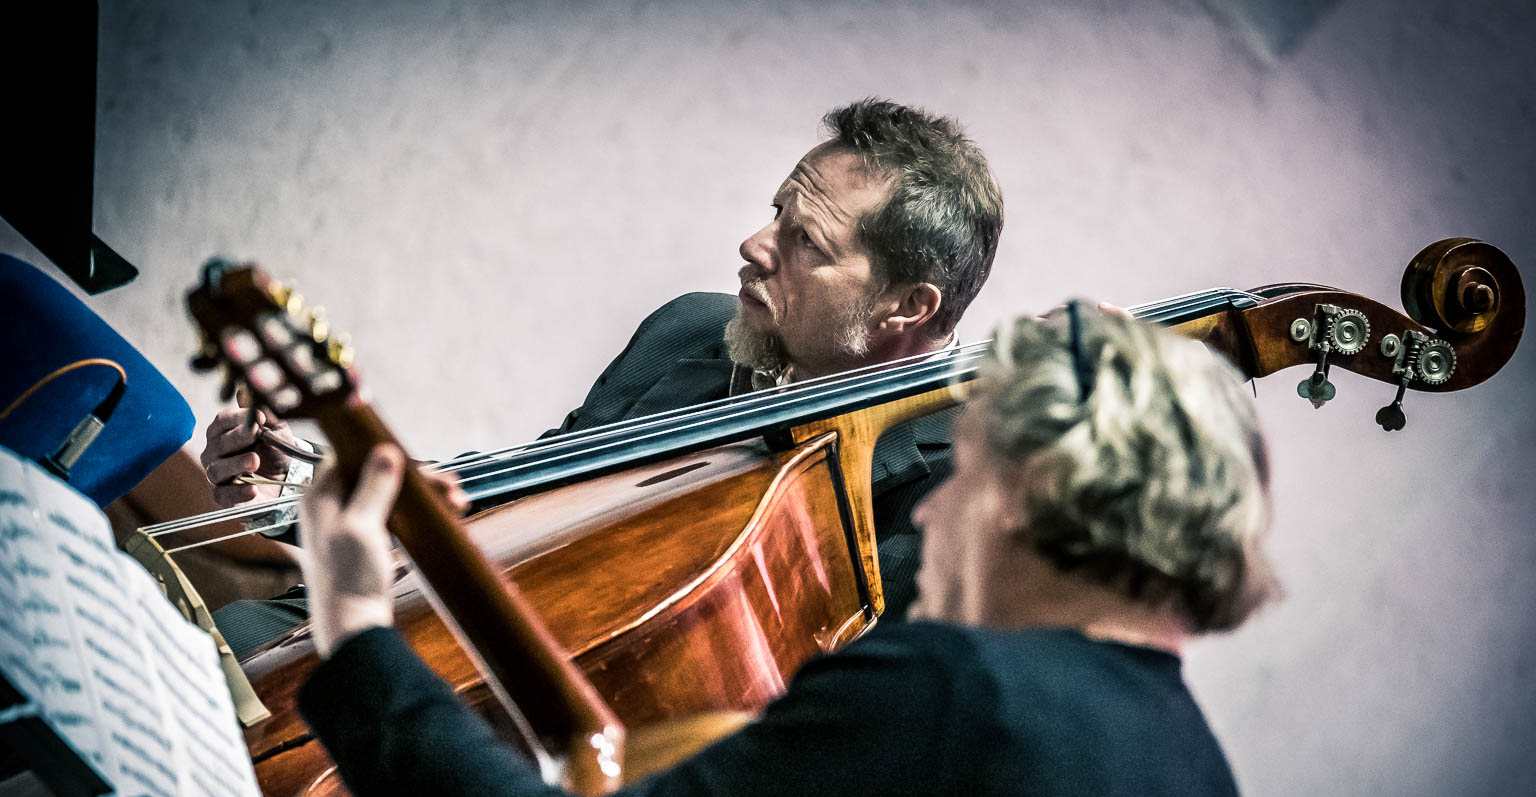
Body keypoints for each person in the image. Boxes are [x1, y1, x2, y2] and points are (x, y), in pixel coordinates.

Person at [1, 304, 1277, 797]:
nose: (937, 511)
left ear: (1036, 497)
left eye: (971, 472)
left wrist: (354, 617)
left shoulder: (971, 692)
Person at [200, 98, 1005, 652]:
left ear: (908, 306)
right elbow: (523, 496)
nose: (754, 245)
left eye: (806, 242)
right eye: (776, 214)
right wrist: (301, 488)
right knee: (229, 639)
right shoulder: (692, 331)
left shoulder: (958, 495)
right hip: (474, 629)